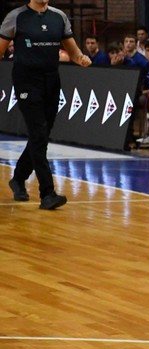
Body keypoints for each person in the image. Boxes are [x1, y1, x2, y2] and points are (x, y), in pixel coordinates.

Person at [0, 0, 92, 210]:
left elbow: (73, 52)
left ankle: (18, 178)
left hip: (52, 81)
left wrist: (81, 59)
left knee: (41, 135)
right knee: (38, 133)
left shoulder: (58, 17)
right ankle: (47, 193)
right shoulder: (16, 17)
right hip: (26, 80)